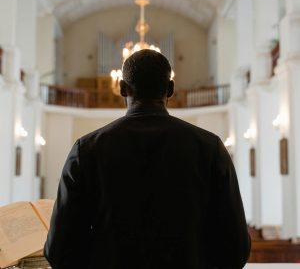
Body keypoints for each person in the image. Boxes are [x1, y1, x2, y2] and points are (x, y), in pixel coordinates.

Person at [44, 49, 251, 269]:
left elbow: (59, 250)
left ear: (122, 88)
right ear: (170, 89)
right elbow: (235, 249)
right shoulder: (210, 148)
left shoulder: (86, 150)